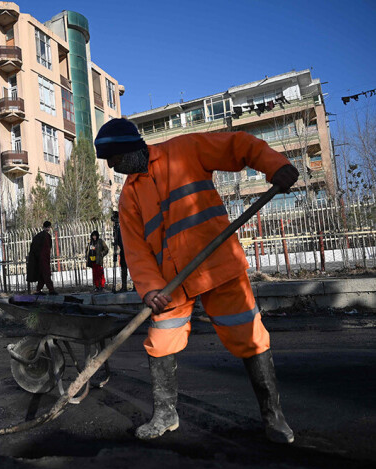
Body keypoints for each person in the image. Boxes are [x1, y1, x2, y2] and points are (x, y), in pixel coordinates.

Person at [94, 118, 299, 444]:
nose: (112, 166)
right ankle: (165, 414)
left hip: (219, 268)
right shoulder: (129, 197)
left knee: (250, 336)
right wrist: (150, 290)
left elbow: (241, 146)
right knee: (160, 343)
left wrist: (277, 166)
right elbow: (136, 251)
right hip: (171, 285)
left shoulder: (185, 150)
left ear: (129, 149)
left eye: (114, 159)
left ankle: (274, 418)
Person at [26, 221, 58, 295]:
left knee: (42, 275)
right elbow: (48, 248)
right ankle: (51, 289)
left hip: (39, 258)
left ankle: (38, 290)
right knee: (46, 274)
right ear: (49, 227)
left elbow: (34, 248)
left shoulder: (38, 236)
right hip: (43, 258)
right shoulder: (46, 236)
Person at [111, 211, 129, 292]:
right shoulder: (117, 229)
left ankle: (136, 286)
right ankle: (124, 286)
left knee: (132, 269)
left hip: (129, 250)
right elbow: (118, 240)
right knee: (123, 268)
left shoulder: (126, 227)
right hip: (123, 250)